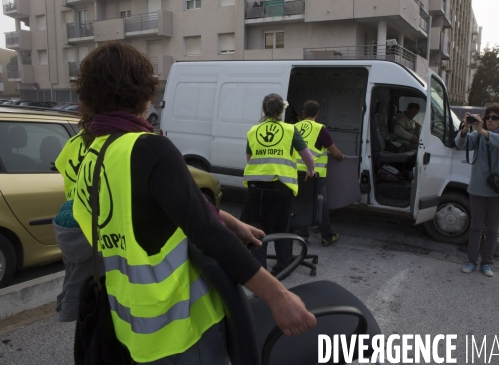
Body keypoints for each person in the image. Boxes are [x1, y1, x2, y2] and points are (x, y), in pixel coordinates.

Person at [71, 42, 316, 364]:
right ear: (143, 92)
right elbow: (207, 232)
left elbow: (151, 207)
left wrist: (232, 221)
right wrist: (278, 296)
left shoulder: (91, 155)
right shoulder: (148, 149)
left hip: (131, 322)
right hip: (181, 327)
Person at [242, 93, 316, 276]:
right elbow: (308, 157)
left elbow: (249, 159)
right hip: (281, 188)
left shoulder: (254, 131)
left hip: (256, 188)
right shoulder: (290, 130)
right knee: (283, 228)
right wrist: (310, 170)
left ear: (264, 109)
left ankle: (259, 271)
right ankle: (283, 267)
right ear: (282, 110)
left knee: (258, 229)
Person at [455, 104, 499, 277]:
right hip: (478, 189)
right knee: (475, 226)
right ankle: (471, 261)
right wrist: (466, 128)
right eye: (488, 116)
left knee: (493, 229)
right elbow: (460, 145)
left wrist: (482, 131)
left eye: (494, 117)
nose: (490, 119)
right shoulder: (477, 134)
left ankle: (486, 263)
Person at [52, 130, 94, 322]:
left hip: (73, 213)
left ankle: (69, 306)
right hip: (94, 218)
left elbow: (61, 164)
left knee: (74, 274)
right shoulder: (115, 142)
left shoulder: (75, 140)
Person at [293, 100, 344, 247]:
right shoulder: (320, 129)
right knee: (320, 204)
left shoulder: (294, 127)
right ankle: (327, 236)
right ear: (317, 113)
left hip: (296, 171)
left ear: (304, 112)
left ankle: (302, 235)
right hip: (315, 174)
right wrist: (342, 158)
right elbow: (334, 152)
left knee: (301, 202)